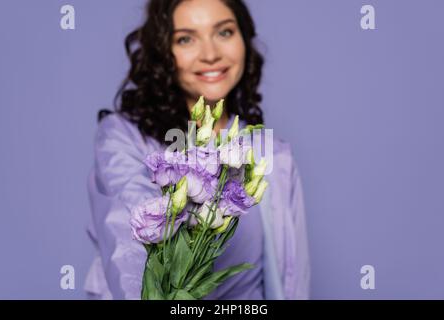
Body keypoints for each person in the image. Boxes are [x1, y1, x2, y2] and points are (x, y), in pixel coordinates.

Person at [84, 0, 310, 300]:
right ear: (162, 52)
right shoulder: (125, 138)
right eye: (186, 39)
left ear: (244, 39)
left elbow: (293, 280)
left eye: (225, 32)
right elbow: (127, 250)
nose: (210, 54)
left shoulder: (272, 156)